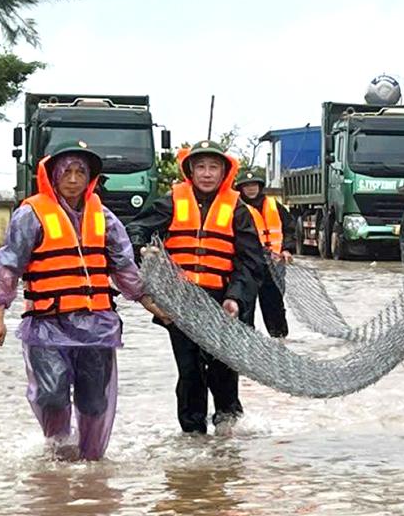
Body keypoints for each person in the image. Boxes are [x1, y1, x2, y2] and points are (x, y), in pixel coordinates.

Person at [0, 145, 151, 461]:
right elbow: (8, 266)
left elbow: (124, 267)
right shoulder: (30, 215)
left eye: (80, 173)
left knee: (93, 402)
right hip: (47, 324)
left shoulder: (104, 217)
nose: (73, 180)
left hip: (97, 325)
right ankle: (58, 453)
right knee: (51, 395)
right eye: (67, 172)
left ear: (90, 178)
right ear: (53, 176)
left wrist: (150, 303)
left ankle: (89, 461)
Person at [127, 140, 264, 434]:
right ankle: (192, 436)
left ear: (224, 171)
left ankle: (228, 430)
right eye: (200, 166)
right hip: (180, 302)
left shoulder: (238, 211)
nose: (206, 173)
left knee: (223, 368)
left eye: (213, 167)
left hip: (221, 303)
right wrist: (141, 248)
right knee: (189, 371)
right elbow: (136, 229)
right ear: (190, 170)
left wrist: (235, 298)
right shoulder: (170, 202)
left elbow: (251, 263)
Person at [234, 169, 296, 338]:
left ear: (260, 186)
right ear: (240, 188)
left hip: (274, 266)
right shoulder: (237, 208)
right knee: (246, 305)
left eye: (254, 185)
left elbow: (290, 228)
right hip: (248, 265)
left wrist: (287, 249)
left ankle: (280, 340)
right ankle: (247, 340)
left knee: (274, 304)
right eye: (246, 186)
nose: (251, 189)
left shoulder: (274, 205)